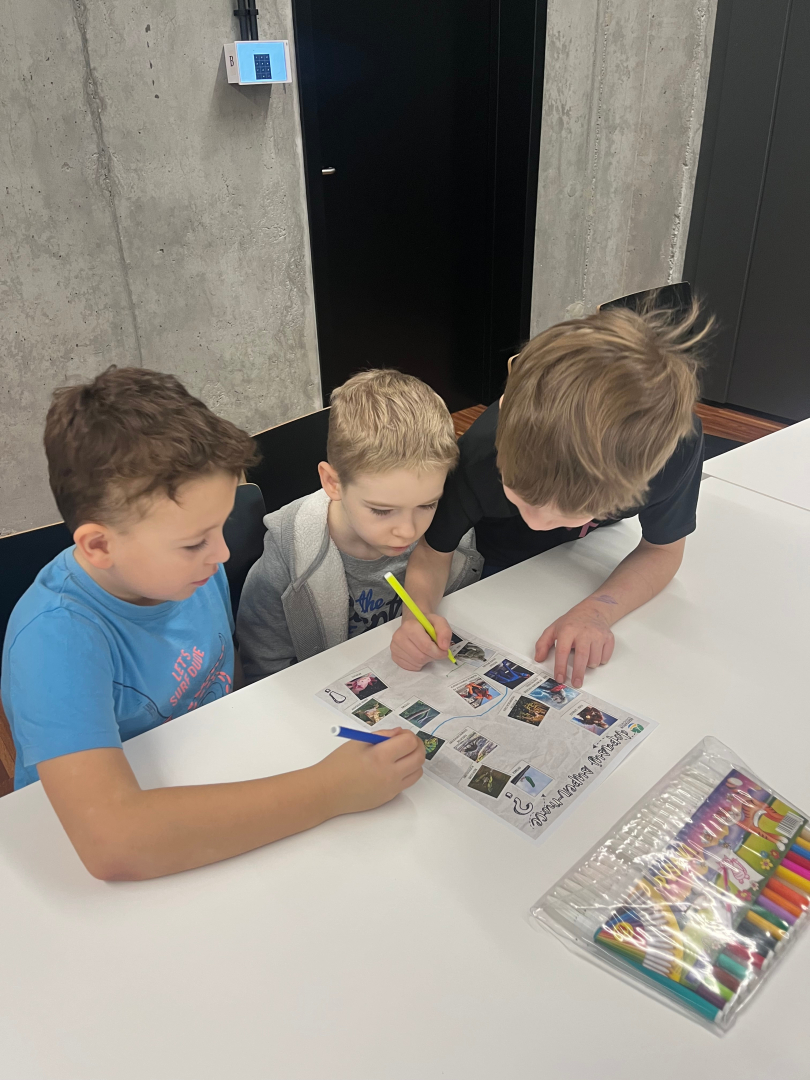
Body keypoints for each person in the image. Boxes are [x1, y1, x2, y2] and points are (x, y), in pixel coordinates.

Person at [2, 367, 424, 880]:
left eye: (220, 527)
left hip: (220, 780)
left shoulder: (189, 572)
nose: (223, 554)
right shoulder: (54, 639)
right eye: (193, 542)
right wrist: (331, 789)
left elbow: (227, 678)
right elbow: (115, 843)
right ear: (99, 545)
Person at [391, 300, 709, 688]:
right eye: (519, 493)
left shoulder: (673, 447)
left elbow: (662, 551)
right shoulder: (479, 454)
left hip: (583, 560)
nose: (538, 521)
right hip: (501, 565)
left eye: (571, 511)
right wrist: (416, 616)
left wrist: (598, 611)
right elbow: (433, 552)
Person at [237, 369, 481, 681]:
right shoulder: (287, 560)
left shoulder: (451, 527)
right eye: (382, 510)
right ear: (333, 483)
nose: (408, 531)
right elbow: (265, 674)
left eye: (427, 505)